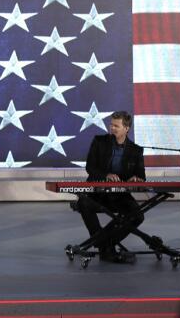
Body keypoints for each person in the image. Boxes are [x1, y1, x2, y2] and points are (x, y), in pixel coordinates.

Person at [77, 110, 146, 263]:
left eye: (116, 125)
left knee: (137, 216)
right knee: (83, 203)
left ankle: (105, 245)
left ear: (126, 128)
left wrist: (136, 178)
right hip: (97, 193)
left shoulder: (136, 150)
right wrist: (105, 175)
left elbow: (141, 176)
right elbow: (90, 167)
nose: (112, 128)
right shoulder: (99, 141)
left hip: (119, 196)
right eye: (111, 125)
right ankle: (106, 248)